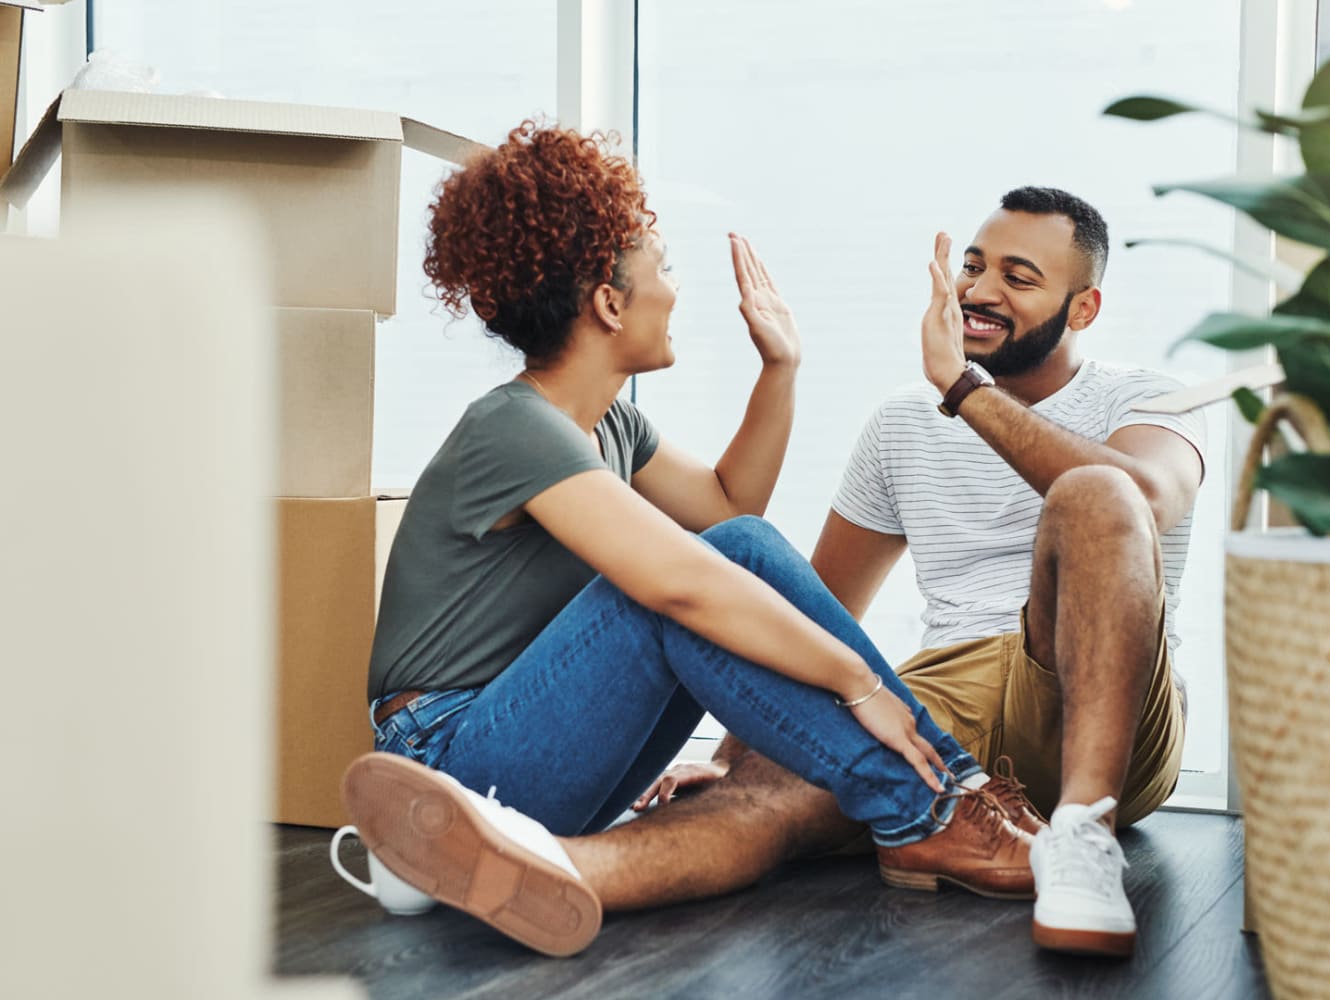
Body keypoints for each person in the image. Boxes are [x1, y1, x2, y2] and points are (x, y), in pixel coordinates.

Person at [348, 185, 1208, 960]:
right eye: (664, 269)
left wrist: (781, 367)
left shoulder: (608, 431)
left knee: (735, 551)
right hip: (447, 748)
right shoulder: (515, 427)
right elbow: (690, 584)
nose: (677, 289)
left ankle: (487, 857)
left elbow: (728, 509)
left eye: (1017, 276)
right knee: (707, 590)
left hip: (515, 747)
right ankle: (938, 810)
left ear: (1083, 304)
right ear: (611, 303)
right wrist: (847, 685)